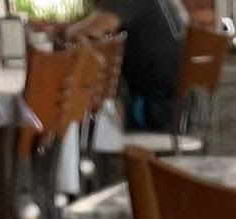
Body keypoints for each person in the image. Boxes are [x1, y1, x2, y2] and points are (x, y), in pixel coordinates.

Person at [61, 0, 188, 132]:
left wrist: (67, 31)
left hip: (154, 112)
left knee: (85, 103)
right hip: (183, 109)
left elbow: (93, 30)